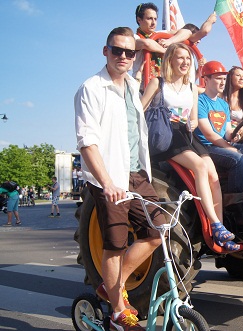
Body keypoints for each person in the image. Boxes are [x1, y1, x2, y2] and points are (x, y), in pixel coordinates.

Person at [74, 26, 168, 331]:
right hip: (109, 178)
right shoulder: (91, 88)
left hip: (137, 174)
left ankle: (111, 286)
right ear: (106, 51)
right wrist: (108, 183)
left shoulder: (131, 85)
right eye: (117, 50)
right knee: (114, 245)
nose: (124, 56)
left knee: (160, 230)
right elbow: (87, 142)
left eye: (130, 52)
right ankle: (117, 313)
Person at [141, 43, 239, 252]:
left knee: (213, 175)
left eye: (188, 59)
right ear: (170, 60)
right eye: (180, 58)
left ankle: (219, 230)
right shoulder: (158, 83)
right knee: (200, 167)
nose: (185, 62)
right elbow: (140, 110)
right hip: (168, 134)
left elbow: (193, 118)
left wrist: (193, 122)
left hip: (186, 134)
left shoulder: (192, 88)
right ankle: (214, 222)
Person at [195, 61, 243, 229]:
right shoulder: (200, 101)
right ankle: (236, 210)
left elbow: (228, 132)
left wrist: (239, 134)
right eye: (218, 78)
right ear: (206, 80)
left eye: (224, 78)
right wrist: (230, 147)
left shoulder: (223, 104)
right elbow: (209, 134)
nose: (222, 82)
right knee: (238, 159)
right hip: (207, 148)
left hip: (222, 144)